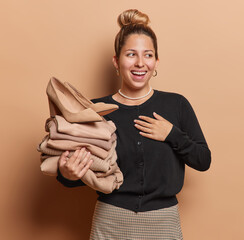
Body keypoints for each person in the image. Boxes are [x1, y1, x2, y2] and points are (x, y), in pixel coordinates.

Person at [56, 9, 211, 239]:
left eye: (148, 55)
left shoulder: (176, 105)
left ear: (156, 61)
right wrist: (67, 174)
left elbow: (203, 160)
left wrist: (172, 134)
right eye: (131, 54)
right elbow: (80, 171)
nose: (140, 63)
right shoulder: (95, 111)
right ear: (116, 61)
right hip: (111, 223)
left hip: (164, 225)